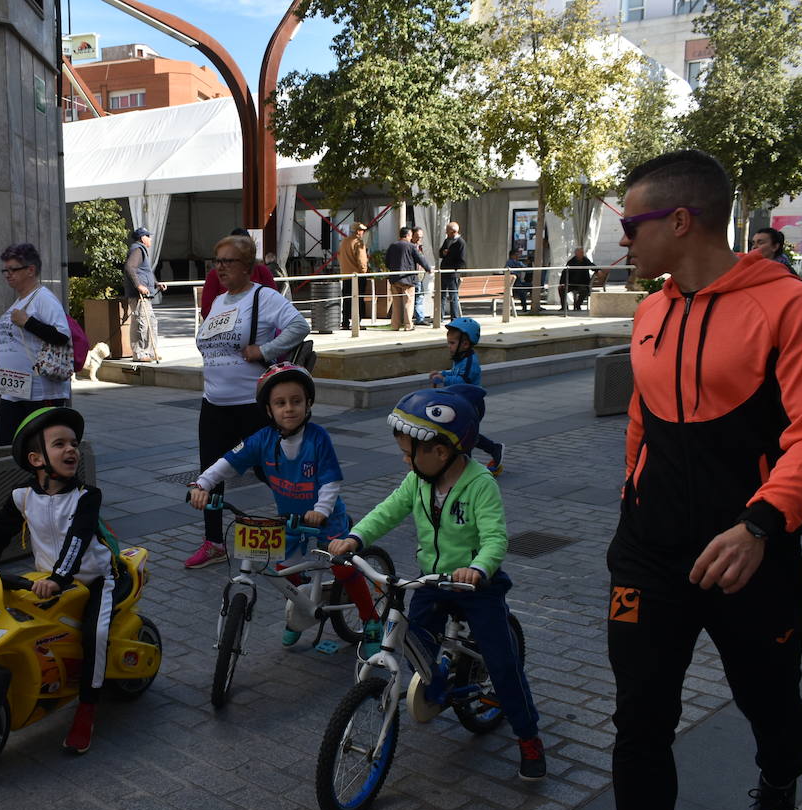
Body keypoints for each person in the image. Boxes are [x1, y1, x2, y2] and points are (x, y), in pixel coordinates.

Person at [606, 150, 802, 810]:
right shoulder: (651, 309)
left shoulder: (788, 308)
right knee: (640, 718)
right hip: (651, 553)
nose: (623, 244)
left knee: (770, 704)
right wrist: (628, 510)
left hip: (753, 555)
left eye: (631, 225)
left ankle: (780, 777)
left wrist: (759, 526)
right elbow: (641, 425)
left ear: (680, 222)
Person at [328, 387, 546, 780]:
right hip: (431, 581)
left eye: (410, 452)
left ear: (440, 452)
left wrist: (478, 569)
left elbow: (496, 538)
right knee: (419, 641)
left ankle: (528, 736)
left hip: (476, 587)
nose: (405, 459)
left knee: (502, 664)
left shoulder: (481, 485)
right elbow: (387, 510)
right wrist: (355, 537)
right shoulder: (418, 482)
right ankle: (439, 677)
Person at [188, 364, 383, 649]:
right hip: (289, 519)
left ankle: (372, 619)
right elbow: (228, 462)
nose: (289, 409)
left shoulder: (317, 438)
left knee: (342, 569)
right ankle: (301, 611)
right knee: (282, 570)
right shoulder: (262, 440)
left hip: (326, 518)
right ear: (268, 410)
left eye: (296, 401)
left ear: (308, 404)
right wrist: (202, 484)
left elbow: (330, 481)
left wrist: (322, 510)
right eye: (280, 403)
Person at [0, 407, 114, 754]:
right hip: (45, 579)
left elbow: (77, 540)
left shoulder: (86, 496)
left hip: (92, 579)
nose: (71, 450)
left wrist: (60, 578)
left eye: (74, 444)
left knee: (94, 633)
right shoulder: (22, 496)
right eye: (60, 444)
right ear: (36, 459)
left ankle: (86, 708)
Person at [186, 234, 311, 569]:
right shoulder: (218, 302)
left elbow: (299, 325)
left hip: (250, 403)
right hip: (213, 403)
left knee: (267, 468)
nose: (220, 268)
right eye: (217, 261)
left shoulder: (263, 297)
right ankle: (213, 542)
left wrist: (266, 350)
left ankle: (308, 519)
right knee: (211, 474)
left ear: (247, 266)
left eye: (228, 261)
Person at [0, 242, 72, 446]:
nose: (8, 274)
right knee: (5, 442)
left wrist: (28, 322)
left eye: (13, 269)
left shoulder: (44, 298)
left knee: (37, 445)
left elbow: (62, 335)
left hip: (39, 391)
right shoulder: (20, 301)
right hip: (14, 388)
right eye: (5, 270)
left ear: (30, 270)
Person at [429, 317, 504, 474]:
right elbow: (455, 373)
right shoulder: (461, 358)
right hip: (462, 403)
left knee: (464, 435)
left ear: (465, 344)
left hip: (473, 404)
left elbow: (463, 381)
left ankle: (466, 468)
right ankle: (491, 450)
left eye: (452, 343)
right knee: (465, 434)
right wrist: (442, 373)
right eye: (448, 342)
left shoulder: (471, 361)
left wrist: (444, 379)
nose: (449, 346)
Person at [199, 228, 278, 319]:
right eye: (218, 261)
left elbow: (275, 306)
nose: (221, 266)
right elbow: (206, 310)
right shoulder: (215, 276)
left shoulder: (262, 271)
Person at [123, 227, 166, 362]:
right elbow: (130, 267)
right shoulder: (137, 249)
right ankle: (140, 353)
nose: (151, 239)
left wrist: (156, 283)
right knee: (141, 322)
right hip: (138, 295)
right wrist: (139, 285)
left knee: (151, 322)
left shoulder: (142, 251)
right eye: (148, 236)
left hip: (145, 294)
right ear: (142, 238)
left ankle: (150, 352)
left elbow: (145, 272)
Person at [385, 227, 428, 331]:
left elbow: (387, 261)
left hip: (395, 279)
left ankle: (395, 325)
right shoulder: (411, 246)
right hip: (408, 279)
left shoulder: (392, 246)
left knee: (396, 303)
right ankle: (408, 325)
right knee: (408, 302)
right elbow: (420, 258)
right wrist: (428, 268)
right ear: (408, 235)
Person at [337, 222, 371, 330]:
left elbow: (339, 256)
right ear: (358, 231)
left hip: (345, 275)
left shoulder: (344, 242)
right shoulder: (358, 243)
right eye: (362, 231)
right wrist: (364, 271)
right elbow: (362, 260)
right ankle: (358, 323)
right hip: (357, 275)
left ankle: (345, 322)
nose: (363, 233)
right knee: (359, 299)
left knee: (347, 299)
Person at [438, 222, 466, 319]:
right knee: (442, 295)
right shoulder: (447, 240)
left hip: (453, 273)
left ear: (454, 232)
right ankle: (439, 316)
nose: (447, 234)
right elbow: (440, 253)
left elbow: (462, 260)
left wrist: (455, 269)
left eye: (448, 232)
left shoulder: (460, 243)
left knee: (453, 296)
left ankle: (454, 317)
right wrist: (443, 253)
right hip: (444, 271)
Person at [410, 226, 435, 326]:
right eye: (418, 237)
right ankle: (419, 318)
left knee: (419, 296)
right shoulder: (412, 247)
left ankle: (418, 317)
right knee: (418, 296)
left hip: (419, 276)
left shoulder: (418, 247)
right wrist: (428, 269)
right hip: (414, 276)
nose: (420, 239)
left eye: (421, 237)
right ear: (412, 236)